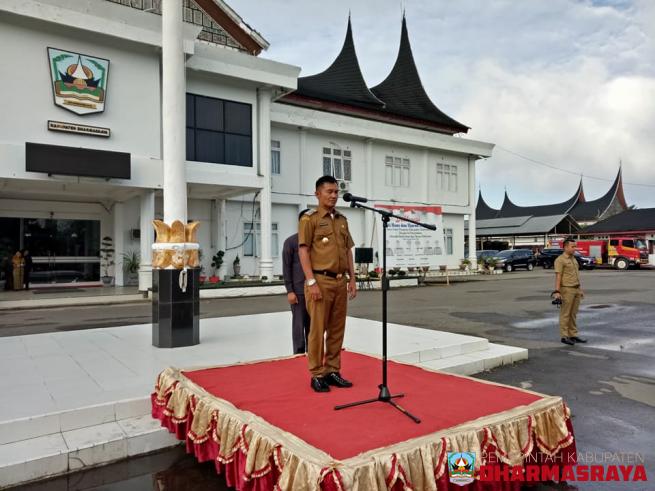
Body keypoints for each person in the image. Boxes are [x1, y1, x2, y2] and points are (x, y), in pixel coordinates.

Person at [298, 175, 357, 392]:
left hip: (340, 282)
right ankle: (316, 374)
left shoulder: (342, 220)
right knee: (317, 330)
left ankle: (332, 370)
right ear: (317, 194)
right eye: (329, 192)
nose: (333, 196)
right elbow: (303, 251)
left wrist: (353, 278)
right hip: (320, 281)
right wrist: (311, 281)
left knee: (336, 329)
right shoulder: (309, 219)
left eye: (336, 192)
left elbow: (347, 251)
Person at [282, 209, 311, 354]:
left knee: (314, 326)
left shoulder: (317, 242)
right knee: (299, 325)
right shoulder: (291, 242)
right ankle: (298, 354)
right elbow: (286, 267)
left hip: (314, 291)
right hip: (298, 291)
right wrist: (290, 291)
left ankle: (313, 354)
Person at [553, 238, 587, 346]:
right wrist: (557, 291)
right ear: (565, 247)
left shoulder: (573, 259)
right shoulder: (560, 260)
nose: (574, 248)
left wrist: (580, 289)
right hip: (566, 289)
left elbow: (576, 275)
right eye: (572, 246)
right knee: (565, 314)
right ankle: (564, 336)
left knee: (573, 314)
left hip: (576, 289)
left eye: (575, 246)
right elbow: (558, 276)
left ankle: (573, 335)